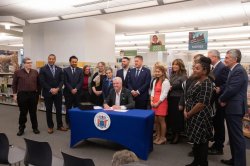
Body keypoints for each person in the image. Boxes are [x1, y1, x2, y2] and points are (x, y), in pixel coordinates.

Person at [219, 49, 247, 166]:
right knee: (232, 136)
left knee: (237, 137)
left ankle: (240, 163)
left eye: (227, 58)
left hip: (235, 108)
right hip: (232, 107)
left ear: (235, 59)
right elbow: (229, 86)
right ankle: (235, 160)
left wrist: (222, 98)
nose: (225, 60)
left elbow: (232, 89)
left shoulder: (239, 70)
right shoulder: (233, 70)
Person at [184, 56, 214, 166]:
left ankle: (203, 163)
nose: (194, 70)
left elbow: (202, 104)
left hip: (200, 116)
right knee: (196, 141)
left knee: (202, 142)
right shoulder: (196, 81)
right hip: (192, 115)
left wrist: (189, 113)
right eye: (194, 68)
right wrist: (186, 111)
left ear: (205, 70)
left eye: (197, 68)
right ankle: (196, 162)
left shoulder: (207, 83)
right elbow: (189, 97)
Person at [207, 50, 229, 155]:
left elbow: (227, 83)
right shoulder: (214, 67)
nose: (208, 59)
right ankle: (216, 144)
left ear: (215, 57)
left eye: (209, 57)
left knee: (219, 123)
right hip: (214, 100)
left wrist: (220, 88)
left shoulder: (222, 67)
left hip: (219, 100)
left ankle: (219, 146)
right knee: (216, 123)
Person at [39, 54, 67, 134]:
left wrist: (58, 88)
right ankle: (50, 126)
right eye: (50, 59)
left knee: (59, 109)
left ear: (55, 60)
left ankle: (59, 125)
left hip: (58, 93)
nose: (51, 60)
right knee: (49, 110)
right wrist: (51, 89)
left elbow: (62, 80)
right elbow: (42, 81)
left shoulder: (59, 69)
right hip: (48, 93)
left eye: (53, 59)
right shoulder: (43, 69)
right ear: (48, 59)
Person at [12, 57, 40, 136]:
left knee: (33, 112)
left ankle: (35, 128)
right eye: (28, 63)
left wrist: (38, 94)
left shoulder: (35, 72)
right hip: (22, 95)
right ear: (24, 64)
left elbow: (38, 84)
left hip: (33, 95)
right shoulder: (18, 72)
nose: (30, 64)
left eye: (31, 62)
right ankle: (21, 128)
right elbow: (14, 84)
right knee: (23, 113)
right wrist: (14, 94)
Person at [168, 59, 187, 144]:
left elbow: (184, 91)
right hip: (171, 98)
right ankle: (173, 133)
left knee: (178, 118)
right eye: (173, 64)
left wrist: (181, 103)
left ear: (180, 66)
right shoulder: (172, 74)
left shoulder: (183, 76)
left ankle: (177, 136)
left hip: (178, 99)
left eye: (176, 65)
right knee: (172, 117)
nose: (174, 66)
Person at [151, 64, 170, 145]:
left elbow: (164, 94)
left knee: (161, 120)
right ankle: (158, 136)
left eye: (159, 71)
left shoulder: (166, 81)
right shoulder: (155, 80)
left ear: (163, 72)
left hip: (161, 103)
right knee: (156, 120)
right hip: (154, 102)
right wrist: (151, 101)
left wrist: (157, 103)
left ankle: (163, 138)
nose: (157, 73)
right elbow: (152, 92)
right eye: (156, 71)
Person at [63, 56, 83, 128]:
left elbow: (81, 81)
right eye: (73, 62)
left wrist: (76, 89)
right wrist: (71, 89)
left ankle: (76, 122)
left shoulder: (80, 70)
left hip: (77, 93)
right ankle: (68, 123)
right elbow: (65, 81)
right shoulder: (65, 70)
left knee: (77, 108)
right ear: (70, 62)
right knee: (68, 108)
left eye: (75, 62)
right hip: (68, 93)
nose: (74, 63)